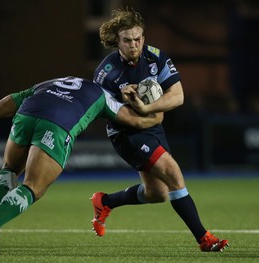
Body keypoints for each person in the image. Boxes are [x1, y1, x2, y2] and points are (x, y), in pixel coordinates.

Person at [0, 76, 163, 255]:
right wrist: (158, 111)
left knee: (8, 169)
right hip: (57, 124)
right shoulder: (102, 95)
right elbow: (137, 121)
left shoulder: (50, 83)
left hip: (27, 114)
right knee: (34, 186)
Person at [91, 8, 228, 252]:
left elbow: (178, 96)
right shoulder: (106, 73)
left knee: (157, 193)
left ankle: (105, 201)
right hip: (126, 134)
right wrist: (125, 104)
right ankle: (204, 239)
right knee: (174, 174)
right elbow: (107, 113)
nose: (134, 45)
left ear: (143, 37)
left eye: (138, 39)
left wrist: (147, 107)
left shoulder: (156, 57)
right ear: (117, 41)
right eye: (127, 40)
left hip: (152, 127)